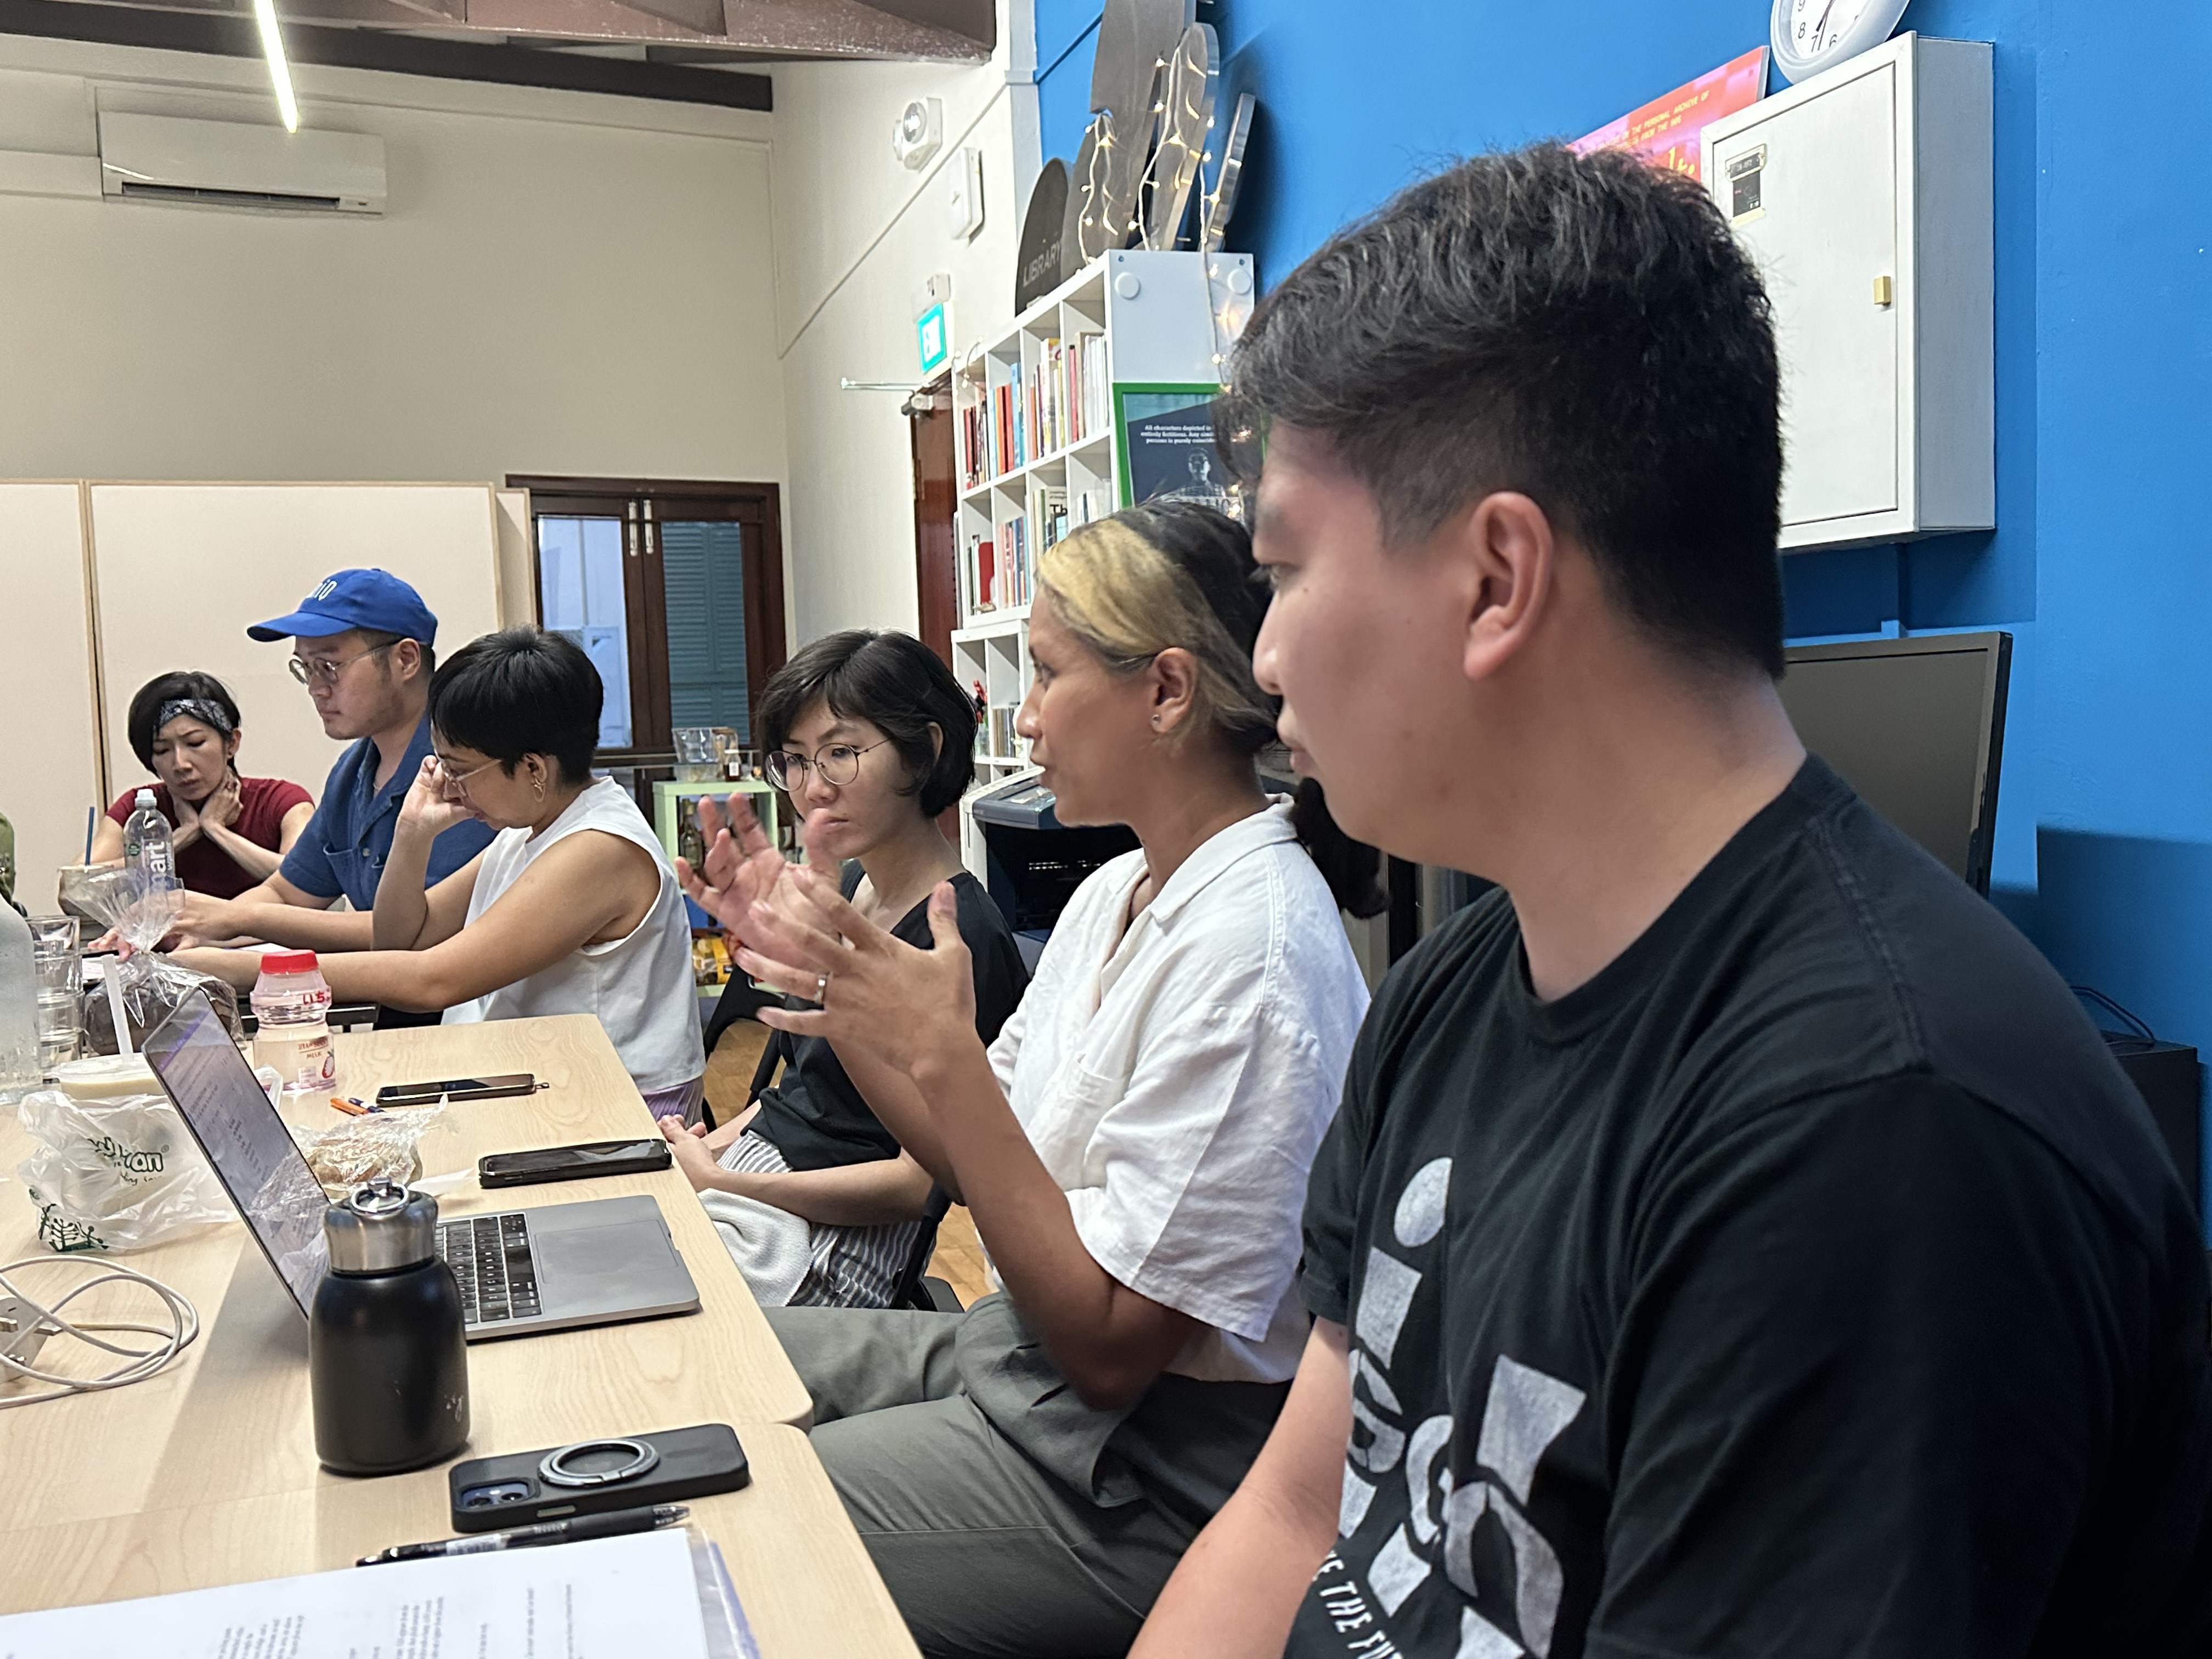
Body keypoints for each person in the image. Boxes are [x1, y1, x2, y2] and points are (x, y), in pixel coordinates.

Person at [1123, 146, 2212, 1659]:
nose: (1272, 656)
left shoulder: (1871, 1131)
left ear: (1499, 578)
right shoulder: (1452, 992)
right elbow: (1302, 1511)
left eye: (1288, 571)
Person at [691, 501, 1384, 1659]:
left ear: (1166, 692)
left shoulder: (1254, 957)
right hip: (1027, 1362)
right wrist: (841, 992)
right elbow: (968, 1162)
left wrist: (946, 1059)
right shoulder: (1120, 894)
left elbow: (1111, 1351)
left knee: (741, 1526)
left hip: (1146, 1466)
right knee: (704, 1362)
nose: (1023, 716)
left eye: (1049, 672)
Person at [178, 627, 704, 1114]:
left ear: (533, 769)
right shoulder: (529, 828)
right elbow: (402, 938)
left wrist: (242, 970)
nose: (450, 786)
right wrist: (412, 834)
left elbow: (435, 979)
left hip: (617, 1103)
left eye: (459, 769)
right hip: (542, 1078)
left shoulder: (597, 847)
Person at [657, 630, 1027, 1308]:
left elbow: (920, 1186)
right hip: (760, 1194)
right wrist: (705, 1150)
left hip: (833, 1248)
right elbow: (803, 1089)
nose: (813, 788)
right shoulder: (849, 888)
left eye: (842, 754)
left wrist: (723, 1182)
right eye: (796, 760)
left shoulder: (960, 935)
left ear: (929, 747)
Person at [160, 571, 494, 1006]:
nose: (317, 689)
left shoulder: (464, 767)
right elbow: (288, 892)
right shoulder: (354, 770)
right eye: (306, 669)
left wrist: (238, 922)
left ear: (406, 660)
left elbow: (417, 933)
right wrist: (200, 936)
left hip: (468, 1010)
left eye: (330, 667)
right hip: (398, 1009)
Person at [90, 672, 314, 899]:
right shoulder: (140, 811)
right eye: (162, 750)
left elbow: (312, 879)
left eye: (195, 743)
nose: (180, 764)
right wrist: (179, 838)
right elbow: (75, 892)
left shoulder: (281, 800)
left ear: (232, 743)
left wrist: (215, 828)